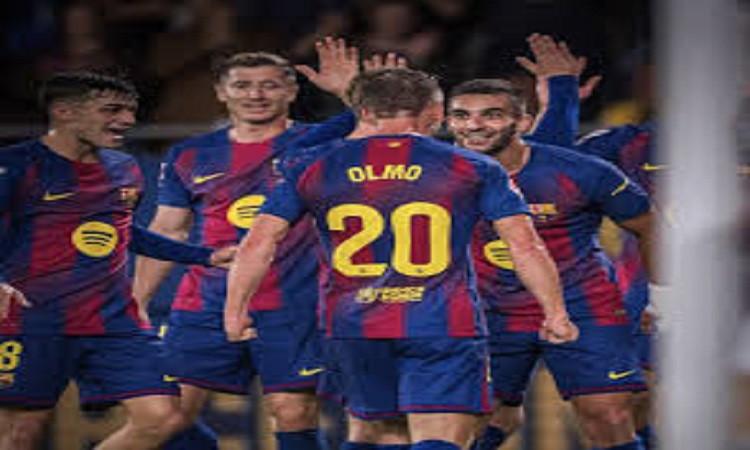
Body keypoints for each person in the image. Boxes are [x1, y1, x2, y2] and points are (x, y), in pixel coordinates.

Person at [224, 67, 578, 450]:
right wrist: (555, 311)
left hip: (353, 323)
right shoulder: (473, 167)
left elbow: (259, 242)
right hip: (442, 322)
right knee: (443, 435)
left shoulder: (312, 165)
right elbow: (525, 245)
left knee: (383, 434)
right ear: (435, 113)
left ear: (363, 112)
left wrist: (235, 309)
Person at [132, 38, 360, 450]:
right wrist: (138, 302)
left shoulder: (322, 143)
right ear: (221, 92)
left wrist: (348, 93)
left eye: (270, 85)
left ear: (292, 91)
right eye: (242, 85)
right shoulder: (189, 154)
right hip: (205, 304)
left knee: (292, 412)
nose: (256, 95)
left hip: (295, 302)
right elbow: (169, 230)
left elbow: (380, 129)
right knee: (169, 415)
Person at [0, 71, 234, 450]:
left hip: (114, 320)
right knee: (21, 433)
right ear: (64, 112)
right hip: (32, 318)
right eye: (111, 110)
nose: (127, 120)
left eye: (130, 110)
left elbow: (124, 232)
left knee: (163, 418)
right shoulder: (15, 166)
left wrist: (205, 256)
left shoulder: (125, 168)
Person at [445, 75, 655, 450]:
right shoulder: (436, 174)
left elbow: (649, 225)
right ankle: (502, 420)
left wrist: (658, 294)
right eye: (461, 115)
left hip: (583, 307)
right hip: (487, 311)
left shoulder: (581, 171)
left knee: (609, 415)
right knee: (474, 422)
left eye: (491, 114)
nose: (474, 125)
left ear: (523, 121)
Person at [523, 33, 660, 450]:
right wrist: (558, 104)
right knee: (629, 405)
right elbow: (542, 174)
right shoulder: (629, 143)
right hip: (655, 293)